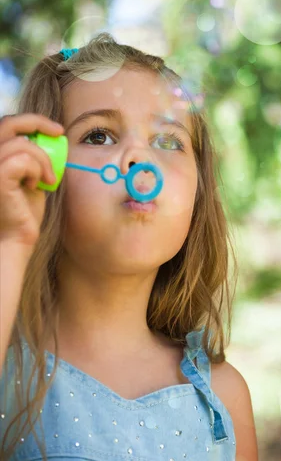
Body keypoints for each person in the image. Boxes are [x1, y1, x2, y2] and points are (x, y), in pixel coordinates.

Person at [0, 33, 258, 461]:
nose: (141, 159)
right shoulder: (9, 371)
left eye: (168, 141)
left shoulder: (222, 399)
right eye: (99, 136)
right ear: (41, 172)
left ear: (198, 193)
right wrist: (9, 241)